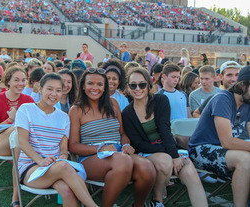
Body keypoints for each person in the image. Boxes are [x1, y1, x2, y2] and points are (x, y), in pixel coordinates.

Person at [68, 68, 156, 207]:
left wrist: (126, 145)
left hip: (119, 152)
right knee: (122, 161)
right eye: (91, 83)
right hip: (92, 157)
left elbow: (122, 134)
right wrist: (100, 148)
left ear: (105, 87)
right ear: (83, 86)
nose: (95, 88)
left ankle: (138, 205)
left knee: (147, 167)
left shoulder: (113, 103)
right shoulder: (76, 110)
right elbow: (73, 146)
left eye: (100, 84)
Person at [122, 68, 208, 207]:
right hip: (148, 152)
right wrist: (172, 155)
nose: (138, 89)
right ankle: (157, 200)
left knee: (190, 173)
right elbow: (138, 144)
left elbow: (165, 129)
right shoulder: (127, 113)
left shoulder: (160, 100)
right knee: (165, 161)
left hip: (169, 147)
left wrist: (175, 155)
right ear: (128, 87)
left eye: (142, 85)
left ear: (149, 85)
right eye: (133, 85)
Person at [15, 73, 98, 207]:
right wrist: (41, 160)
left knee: (66, 190)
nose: (54, 94)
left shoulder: (64, 117)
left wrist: (63, 155)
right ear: (40, 89)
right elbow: (22, 142)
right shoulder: (26, 109)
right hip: (30, 169)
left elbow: (63, 148)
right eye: (49, 89)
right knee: (65, 166)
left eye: (58, 90)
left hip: (55, 167)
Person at [188, 66, 250, 207]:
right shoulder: (223, 99)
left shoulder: (247, 104)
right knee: (245, 160)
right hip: (201, 150)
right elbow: (226, 141)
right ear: (243, 86)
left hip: (227, 151)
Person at [0, 66, 35, 207]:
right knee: (17, 129)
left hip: (20, 146)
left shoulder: (29, 99)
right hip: (0, 143)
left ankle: (15, 199)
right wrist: (10, 120)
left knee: (18, 153)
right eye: (16, 80)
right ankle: (17, 195)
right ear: (8, 81)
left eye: (23, 80)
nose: (20, 83)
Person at [157, 63, 192, 149]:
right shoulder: (159, 96)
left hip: (186, 133)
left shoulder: (183, 94)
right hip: (171, 135)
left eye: (177, 77)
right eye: (173, 77)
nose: (176, 80)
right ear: (164, 76)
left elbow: (188, 115)